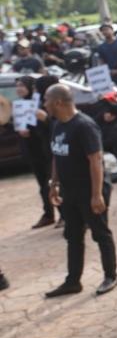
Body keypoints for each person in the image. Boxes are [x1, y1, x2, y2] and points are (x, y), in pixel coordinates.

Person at [44, 84, 117, 298]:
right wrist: (53, 185)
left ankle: (110, 276)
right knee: (73, 236)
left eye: (46, 100)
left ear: (58, 102)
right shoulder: (58, 125)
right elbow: (57, 155)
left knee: (100, 233)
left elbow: (95, 160)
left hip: (90, 190)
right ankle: (73, 281)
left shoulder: (84, 126)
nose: (44, 104)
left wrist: (96, 195)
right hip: (70, 191)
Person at [15, 76, 56, 228]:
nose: (19, 88)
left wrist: (41, 121)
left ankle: (64, 214)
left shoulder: (40, 103)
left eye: (22, 85)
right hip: (31, 151)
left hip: (43, 149)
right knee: (42, 185)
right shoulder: (19, 105)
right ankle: (48, 214)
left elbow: (49, 125)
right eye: (17, 85)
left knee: (53, 183)